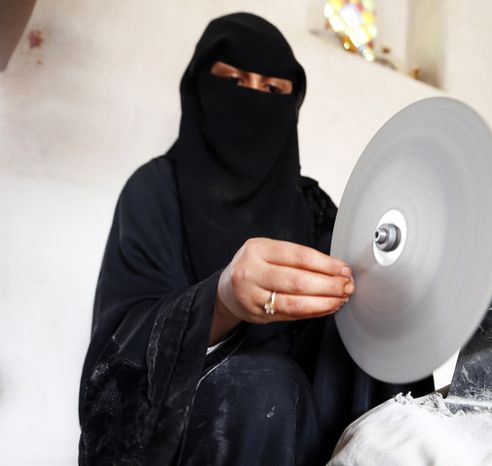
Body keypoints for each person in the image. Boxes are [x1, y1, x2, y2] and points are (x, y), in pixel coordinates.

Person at [78, 12, 433, 465]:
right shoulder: (155, 191)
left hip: (307, 420)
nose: (252, 98)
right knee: (263, 387)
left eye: (272, 90)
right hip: (192, 428)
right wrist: (220, 301)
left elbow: (361, 313)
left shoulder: (314, 208)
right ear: (199, 88)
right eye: (234, 80)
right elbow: (117, 350)